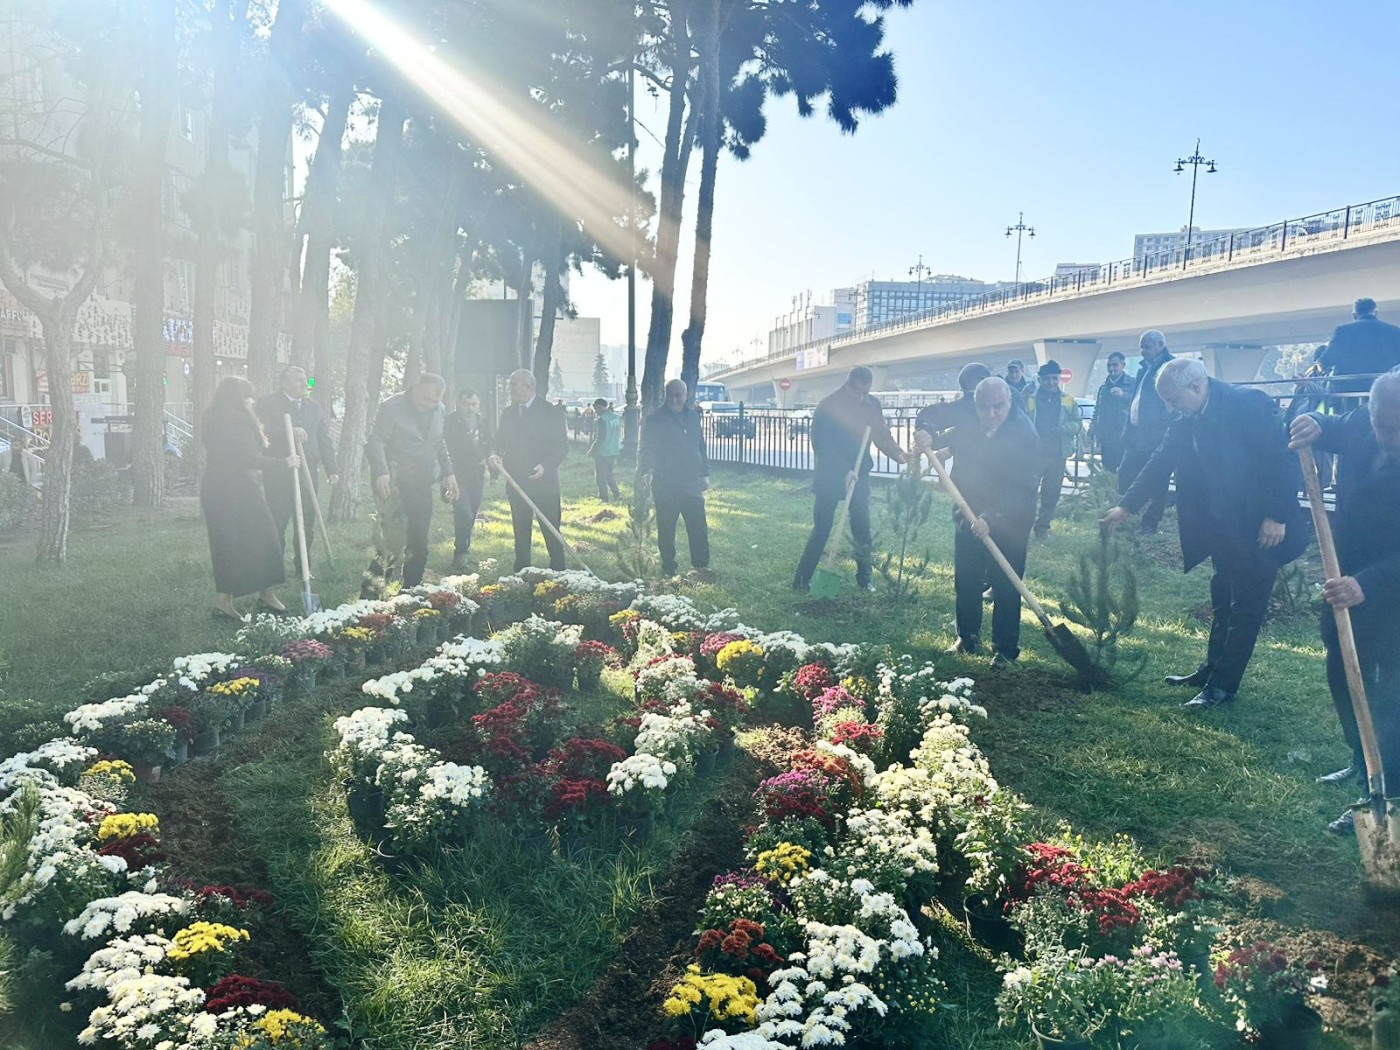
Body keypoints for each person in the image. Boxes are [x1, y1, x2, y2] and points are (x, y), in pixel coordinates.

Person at [1102, 359, 1306, 709]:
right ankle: (1211, 669)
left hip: (1260, 527)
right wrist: (1126, 506)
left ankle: (1222, 688)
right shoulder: (1187, 415)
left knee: (1245, 608)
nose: (1170, 408)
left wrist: (1277, 515)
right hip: (1222, 527)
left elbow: (1283, 459)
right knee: (1223, 598)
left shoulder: (1248, 404)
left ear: (1196, 387)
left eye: (1174, 399)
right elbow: (1160, 460)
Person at [1288, 370, 1400, 833]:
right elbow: (1327, 426)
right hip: (1344, 573)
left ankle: (1386, 793)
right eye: (1385, 426)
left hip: (1390, 588)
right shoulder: (1360, 423)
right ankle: (1361, 759)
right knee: (1343, 672)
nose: (1391, 438)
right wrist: (1310, 418)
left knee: (1392, 693)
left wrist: (1368, 583)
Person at [918, 376, 1039, 666]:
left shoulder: (1023, 434)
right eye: (985, 408)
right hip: (968, 508)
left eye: (998, 407)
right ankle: (967, 637)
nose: (991, 414)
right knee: (967, 579)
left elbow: (1024, 487)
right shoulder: (970, 419)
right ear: (976, 405)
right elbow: (936, 418)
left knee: (1005, 583)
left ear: (1009, 401)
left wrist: (992, 517)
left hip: (1011, 518)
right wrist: (928, 433)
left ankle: (1005, 649)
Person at [793, 366, 908, 594]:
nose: (861, 398)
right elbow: (821, 444)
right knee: (822, 528)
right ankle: (801, 580)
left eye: (865, 393)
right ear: (848, 384)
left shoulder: (872, 404)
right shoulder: (828, 405)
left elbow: (881, 434)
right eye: (857, 393)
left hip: (860, 473)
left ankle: (865, 579)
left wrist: (898, 454)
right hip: (830, 474)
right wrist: (843, 470)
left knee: (862, 528)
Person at [199, 376, 299, 620]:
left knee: (225, 545)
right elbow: (246, 458)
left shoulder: (212, 418)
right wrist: (284, 463)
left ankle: (224, 602)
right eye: (248, 396)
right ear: (239, 397)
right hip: (239, 490)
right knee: (266, 540)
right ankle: (267, 595)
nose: (252, 401)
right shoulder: (238, 422)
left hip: (215, 490)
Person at [365, 372, 458, 589]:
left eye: (437, 400)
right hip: (394, 482)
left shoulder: (439, 410)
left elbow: (439, 443)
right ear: (416, 389)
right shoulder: (392, 407)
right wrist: (381, 472)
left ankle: (411, 591)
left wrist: (449, 472)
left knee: (419, 541)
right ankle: (372, 595)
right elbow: (376, 442)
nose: (432, 405)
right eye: (428, 399)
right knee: (391, 542)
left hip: (422, 481)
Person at [255, 365, 338, 575]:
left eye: (305, 380)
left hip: (308, 473)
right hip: (279, 472)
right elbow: (259, 430)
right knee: (278, 521)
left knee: (307, 522)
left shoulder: (314, 407)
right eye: (298, 380)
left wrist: (332, 469)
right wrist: (287, 431)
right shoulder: (267, 403)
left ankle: (303, 567)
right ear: (284, 382)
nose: (304, 384)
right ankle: (274, 568)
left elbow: (324, 439)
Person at [488, 369, 568, 571]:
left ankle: (559, 571)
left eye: (514, 384)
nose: (511, 388)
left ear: (529, 386)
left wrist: (545, 466)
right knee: (521, 528)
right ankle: (522, 570)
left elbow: (560, 447)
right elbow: (499, 441)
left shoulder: (550, 411)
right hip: (516, 481)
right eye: (511, 384)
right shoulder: (509, 413)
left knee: (551, 529)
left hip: (544, 483)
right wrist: (495, 454)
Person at [640, 379, 710, 577]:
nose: (674, 399)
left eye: (678, 395)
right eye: (670, 394)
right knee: (667, 527)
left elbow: (701, 446)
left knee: (698, 526)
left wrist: (705, 473)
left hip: (691, 481)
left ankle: (701, 566)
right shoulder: (655, 419)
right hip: (665, 482)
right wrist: (648, 470)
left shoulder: (693, 416)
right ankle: (668, 566)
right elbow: (648, 447)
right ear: (666, 395)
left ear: (685, 396)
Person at [1116, 329, 1176, 535]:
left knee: (1158, 479)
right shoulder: (1143, 369)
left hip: (1157, 436)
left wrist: (1160, 424)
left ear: (1160, 345)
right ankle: (1127, 513)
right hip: (1136, 434)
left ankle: (1150, 523)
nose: (1143, 351)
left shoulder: (1170, 367)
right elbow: (1136, 398)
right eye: (1141, 346)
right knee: (1124, 474)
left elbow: (1172, 401)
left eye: (1147, 346)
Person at [1025, 359, 1082, 538]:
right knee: (1027, 491)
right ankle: (1023, 526)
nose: (1051, 382)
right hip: (1034, 453)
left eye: (1055, 379)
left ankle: (1042, 528)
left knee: (1051, 494)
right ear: (1040, 379)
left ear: (1059, 380)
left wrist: (1064, 429)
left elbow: (1078, 424)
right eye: (1047, 379)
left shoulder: (1068, 400)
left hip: (1058, 454)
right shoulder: (1030, 399)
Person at [443, 388, 491, 572]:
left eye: (474, 404)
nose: (470, 408)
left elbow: (489, 443)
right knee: (464, 512)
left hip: (477, 475)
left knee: (471, 512)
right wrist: (444, 476)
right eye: (466, 404)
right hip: (455, 475)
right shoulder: (449, 422)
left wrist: (490, 459)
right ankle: (460, 553)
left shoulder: (483, 421)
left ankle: (464, 549)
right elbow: (441, 447)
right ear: (458, 403)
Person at [1316, 298, 1400, 399]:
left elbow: (1326, 360)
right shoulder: (1394, 331)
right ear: (1376, 313)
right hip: (1385, 391)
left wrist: (1320, 366)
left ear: (1354, 315)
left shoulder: (1343, 331)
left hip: (1349, 391)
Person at [913, 363, 991, 445]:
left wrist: (926, 432)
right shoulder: (1000, 408)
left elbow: (926, 417)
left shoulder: (960, 409)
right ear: (982, 381)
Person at [1089, 351, 1131, 472]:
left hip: (1124, 434)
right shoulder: (1103, 388)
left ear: (1123, 365)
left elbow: (1137, 404)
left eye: (1115, 365)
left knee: (1125, 470)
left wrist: (1123, 395)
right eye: (1109, 365)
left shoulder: (1132, 383)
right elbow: (1097, 410)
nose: (1112, 368)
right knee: (1107, 471)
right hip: (1107, 436)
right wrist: (1092, 428)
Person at [588, 397, 622, 501]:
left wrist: (592, 450)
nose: (595, 411)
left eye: (596, 408)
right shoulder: (617, 417)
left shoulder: (601, 419)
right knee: (609, 474)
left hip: (602, 452)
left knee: (600, 476)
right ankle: (617, 495)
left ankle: (604, 497)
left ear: (600, 407)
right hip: (614, 450)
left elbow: (600, 437)